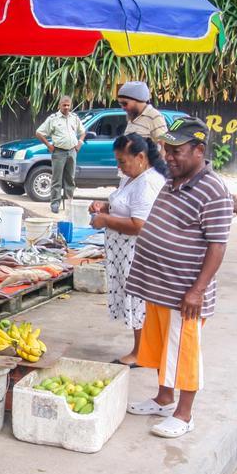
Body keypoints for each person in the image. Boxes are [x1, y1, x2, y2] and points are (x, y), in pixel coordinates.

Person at [125, 117, 232, 439]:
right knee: (161, 349)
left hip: (183, 291)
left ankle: (184, 414)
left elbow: (217, 244)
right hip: (159, 285)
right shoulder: (174, 179)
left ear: (199, 151)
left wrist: (197, 291)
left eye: (177, 151)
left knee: (184, 352)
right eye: (166, 149)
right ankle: (163, 398)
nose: (169, 156)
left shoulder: (213, 190)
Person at [89, 134, 168, 367]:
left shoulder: (148, 183)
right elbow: (123, 204)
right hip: (124, 254)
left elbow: (140, 225)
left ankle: (141, 352)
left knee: (138, 301)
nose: (119, 166)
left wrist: (105, 220)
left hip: (138, 254)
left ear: (141, 157)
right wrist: (104, 206)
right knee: (132, 298)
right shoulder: (132, 177)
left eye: (122, 161)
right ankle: (142, 348)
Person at [35, 95, 86, 214]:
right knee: (56, 179)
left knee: (70, 179)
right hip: (58, 151)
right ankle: (55, 203)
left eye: (68, 105)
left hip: (72, 151)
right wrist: (49, 145)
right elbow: (39, 132)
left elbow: (83, 132)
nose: (67, 107)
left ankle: (69, 203)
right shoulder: (53, 119)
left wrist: (79, 144)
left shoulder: (74, 118)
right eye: (64, 105)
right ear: (59, 105)